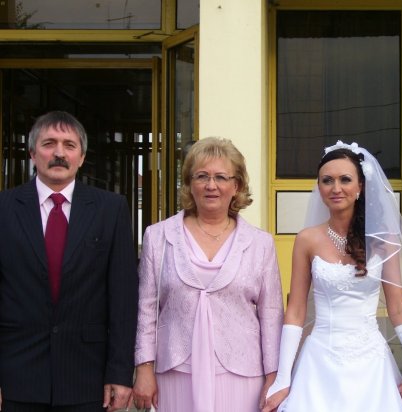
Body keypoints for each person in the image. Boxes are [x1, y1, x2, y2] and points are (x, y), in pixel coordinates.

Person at [262, 141, 402, 412]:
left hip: (371, 362)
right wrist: (283, 377)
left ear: (360, 186)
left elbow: (397, 305)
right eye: (327, 180)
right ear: (319, 187)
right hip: (320, 360)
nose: (335, 188)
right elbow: (296, 310)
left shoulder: (383, 241)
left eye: (345, 179)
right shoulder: (307, 239)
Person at [0, 111, 138, 411]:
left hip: (87, 377)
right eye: (49, 143)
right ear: (32, 153)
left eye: (69, 145)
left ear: (82, 156)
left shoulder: (110, 209)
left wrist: (120, 373)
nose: (59, 153)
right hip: (17, 374)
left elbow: (123, 299)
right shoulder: (4, 209)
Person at [133, 137, 284, 412]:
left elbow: (271, 315)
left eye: (221, 177)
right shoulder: (158, 236)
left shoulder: (260, 243)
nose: (211, 185)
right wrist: (144, 367)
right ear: (189, 184)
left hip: (241, 372)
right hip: (176, 371)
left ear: (236, 185)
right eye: (201, 176)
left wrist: (274, 377)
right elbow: (146, 309)